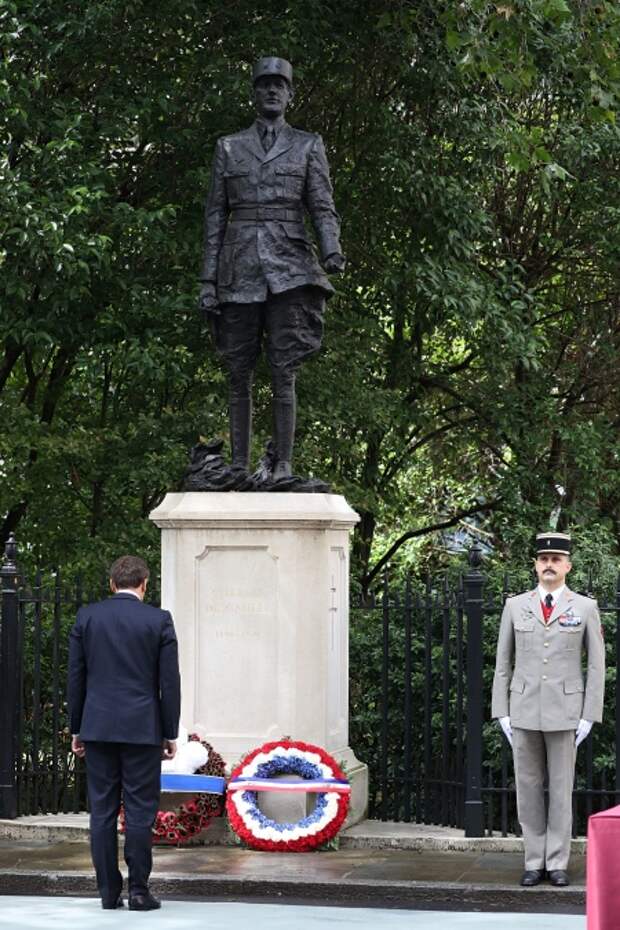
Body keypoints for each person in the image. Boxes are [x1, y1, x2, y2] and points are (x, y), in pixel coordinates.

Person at [198, 56, 345, 485]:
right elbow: (214, 217)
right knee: (238, 369)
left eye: (279, 85)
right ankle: (240, 465)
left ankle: (282, 463)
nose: (271, 91)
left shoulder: (307, 145)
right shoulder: (228, 147)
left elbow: (321, 204)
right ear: (254, 93)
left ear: (290, 94)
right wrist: (207, 280)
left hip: (290, 267)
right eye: (264, 84)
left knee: (284, 368)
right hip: (238, 265)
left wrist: (332, 249)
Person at [491, 532, 605, 887]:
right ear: (535, 565)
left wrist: (589, 714)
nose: (549, 565)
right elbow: (502, 662)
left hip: (566, 711)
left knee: (560, 789)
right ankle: (533, 860)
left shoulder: (584, 607)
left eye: (556, 560)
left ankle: (556, 861)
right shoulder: (515, 606)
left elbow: (597, 666)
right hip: (523, 708)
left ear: (568, 566)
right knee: (526, 789)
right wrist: (502, 711)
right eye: (544, 559)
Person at [68, 555, 180, 911]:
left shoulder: (88, 617)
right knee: (139, 811)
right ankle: (139, 891)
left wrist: (77, 728)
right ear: (144, 584)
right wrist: (170, 731)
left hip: (98, 727)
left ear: (112, 584)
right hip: (142, 729)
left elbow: (76, 678)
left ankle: (107, 892)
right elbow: (169, 682)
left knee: (101, 811)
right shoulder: (158, 620)